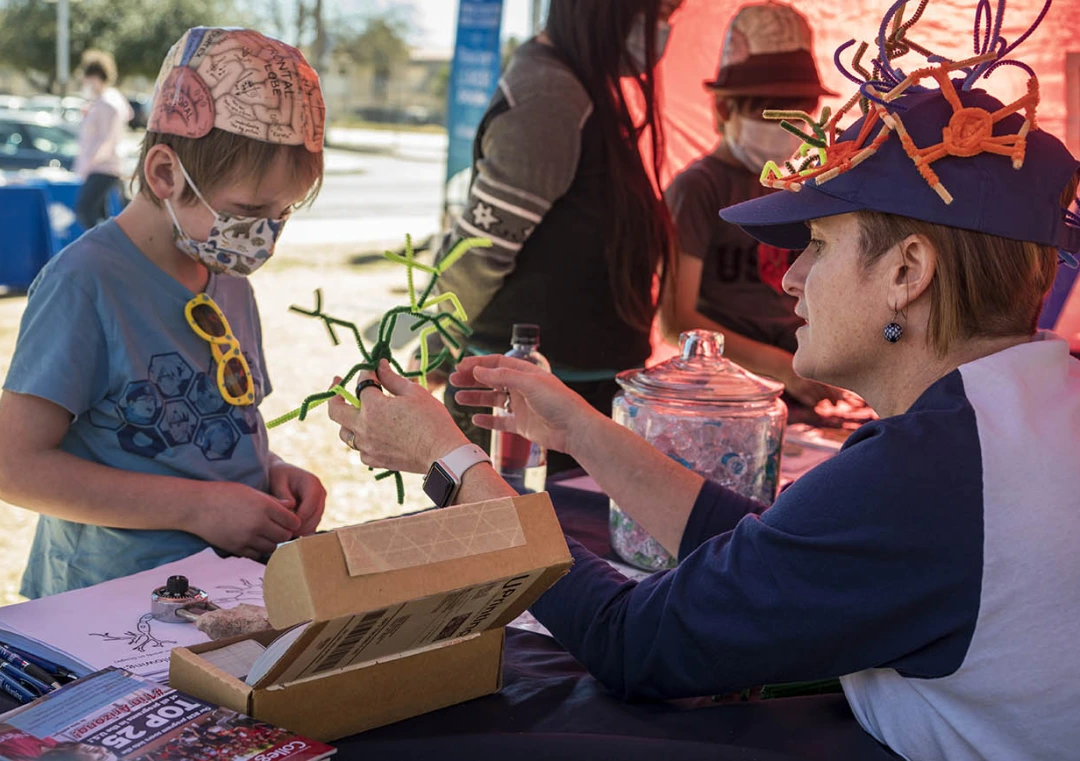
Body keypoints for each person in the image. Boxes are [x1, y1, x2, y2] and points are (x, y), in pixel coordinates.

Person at [328, 1, 1080, 756]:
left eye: (817, 244)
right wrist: (580, 429)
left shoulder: (927, 474)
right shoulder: (1018, 414)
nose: (792, 279)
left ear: (907, 272)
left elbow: (633, 644)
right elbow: (771, 550)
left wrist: (450, 462)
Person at [0, 27, 328, 598]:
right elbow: (15, 470)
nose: (266, 233)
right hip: (109, 601)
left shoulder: (227, 279)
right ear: (165, 174)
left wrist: (269, 473)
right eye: (250, 210)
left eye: (283, 212)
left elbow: (201, 434)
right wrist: (201, 506)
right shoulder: (85, 283)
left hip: (221, 590)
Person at [421, 0, 682, 471]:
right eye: (658, 11)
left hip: (568, 393)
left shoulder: (579, 84)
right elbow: (478, 253)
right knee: (515, 539)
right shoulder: (550, 93)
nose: (663, 29)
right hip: (530, 405)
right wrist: (432, 355)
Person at [661, 2, 840, 409]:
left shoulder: (801, 185)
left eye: (800, 110)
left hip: (800, 382)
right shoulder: (698, 189)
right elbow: (676, 321)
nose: (787, 124)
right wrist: (779, 367)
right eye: (769, 109)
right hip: (722, 390)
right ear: (725, 108)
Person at [74, 51, 132, 229]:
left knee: (85, 210)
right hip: (102, 166)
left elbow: (108, 138)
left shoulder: (108, 103)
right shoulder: (102, 101)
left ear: (94, 77)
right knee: (100, 215)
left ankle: (101, 248)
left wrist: (89, 163)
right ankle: (104, 249)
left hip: (103, 167)